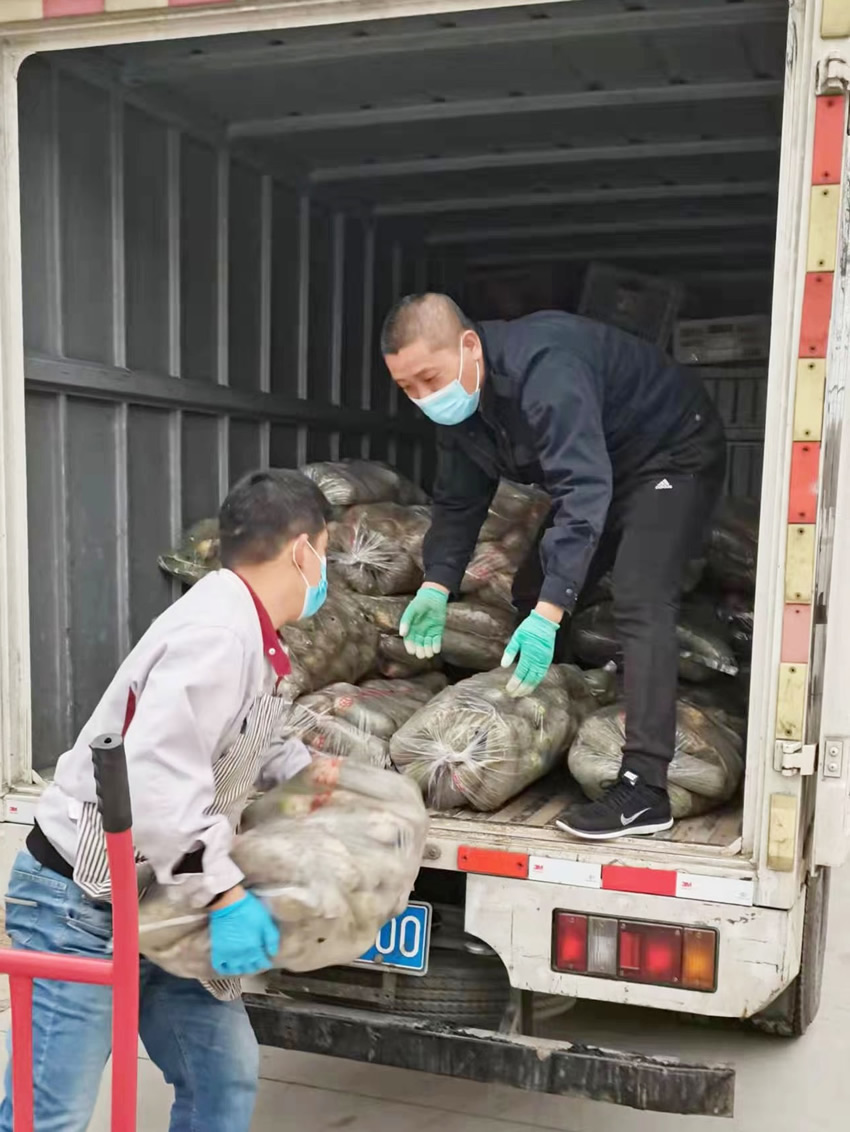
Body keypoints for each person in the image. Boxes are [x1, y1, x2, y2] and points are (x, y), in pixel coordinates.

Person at [0, 468, 331, 1132]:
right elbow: (156, 780)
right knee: (48, 1118)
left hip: (162, 894)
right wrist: (226, 897)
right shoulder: (219, 633)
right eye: (327, 552)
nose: (327, 572)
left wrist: (303, 769)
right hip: (81, 902)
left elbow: (236, 732)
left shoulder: (245, 627)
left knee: (222, 1076)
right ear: (303, 551)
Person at [382, 293, 726, 841]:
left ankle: (644, 787)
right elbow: (459, 502)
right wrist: (436, 584)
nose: (424, 397)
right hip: (606, 463)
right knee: (534, 585)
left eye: (429, 378)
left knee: (640, 595)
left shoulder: (546, 369)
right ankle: (558, 705)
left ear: (469, 346)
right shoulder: (464, 408)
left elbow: (581, 490)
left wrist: (549, 616)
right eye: (407, 388)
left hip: (670, 452)